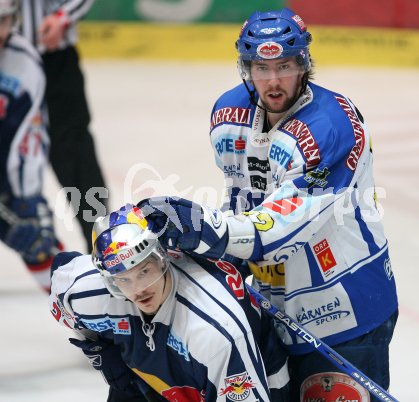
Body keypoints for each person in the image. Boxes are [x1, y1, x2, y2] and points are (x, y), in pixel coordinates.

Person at [139, 8, 399, 402]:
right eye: (261, 67)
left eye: (285, 66)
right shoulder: (229, 114)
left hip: (347, 311)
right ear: (246, 69)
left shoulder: (329, 128)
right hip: (272, 306)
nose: (273, 80)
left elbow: (280, 229)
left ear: (304, 65)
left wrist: (207, 231)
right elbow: (242, 196)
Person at [49, 203, 290, 402]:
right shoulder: (86, 292)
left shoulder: (214, 331)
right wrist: (98, 347)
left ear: (162, 257)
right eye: (123, 280)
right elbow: (61, 274)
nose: (138, 290)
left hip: (253, 379)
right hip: (163, 378)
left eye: (144, 272)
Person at [18, 0, 107, 252]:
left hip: (54, 61)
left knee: (75, 157)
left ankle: (103, 245)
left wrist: (62, 16)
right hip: (5, 61)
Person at [0, 0, 63, 293]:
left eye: (2, 22)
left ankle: (81, 308)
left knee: (36, 240)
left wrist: (27, 198)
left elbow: (31, 135)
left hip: (6, 172)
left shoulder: (23, 62)